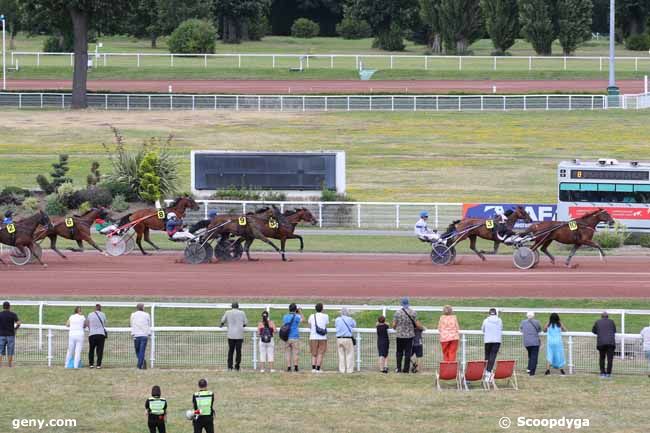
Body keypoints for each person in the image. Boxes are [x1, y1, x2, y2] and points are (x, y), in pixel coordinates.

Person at [392, 297, 420, 373]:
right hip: (409, 336)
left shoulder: (397, 313)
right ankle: (406, 369)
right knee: (408, 353)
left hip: (400, 335)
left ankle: (398, 368)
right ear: (408, 303)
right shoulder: (413, 312)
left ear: (401, 304)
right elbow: (417, 325)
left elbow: (394, 325)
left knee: (399, 352)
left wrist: (396, 328)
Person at [220, 302, 247, 371]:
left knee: (230, 351)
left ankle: (229, 367)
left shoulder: (227, 312)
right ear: (238, 307)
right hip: (239, 335)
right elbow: (245, 323)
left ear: (232, 306)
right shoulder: (242, 312)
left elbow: (222, 320)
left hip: (231, 335)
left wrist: (222, 324)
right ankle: (237, 366)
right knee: (238, 352)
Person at [592, 311, 617, 378]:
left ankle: (602, 373)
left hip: (601, 343)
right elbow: (614, 330)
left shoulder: (597, 322)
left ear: (601, 316)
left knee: (602, 358)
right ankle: (608, 374)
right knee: (610, 359)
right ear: (607, 316)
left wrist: (600, 332)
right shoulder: (611, 322)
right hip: (611, 343)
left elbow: (593, 331)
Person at [481, 308, 503, 382]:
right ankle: (489, 371)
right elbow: (501, 328)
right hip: (497, 341)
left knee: (487, 356)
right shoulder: (499, 320)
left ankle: (486, 371)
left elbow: (483, 329)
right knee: (492, 356)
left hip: (487, 340)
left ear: (489, 313)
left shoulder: (486, 320)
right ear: (496, 313)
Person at [308, 303, 329, 373]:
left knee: (314, 353)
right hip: (322, 337)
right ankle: (318, 368)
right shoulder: (326, 316)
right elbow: (326, 324)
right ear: (322, 309)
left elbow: (310, 326)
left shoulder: (311, 316)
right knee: (320, 353)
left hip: (313, 336)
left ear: (315, 309)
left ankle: (313, 368)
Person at [282, 303, 303, 372]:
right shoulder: (297, 317)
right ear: (295, 309)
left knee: (287, 352)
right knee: (295, 352)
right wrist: (300, 312)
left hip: (287, 337)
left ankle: (288, 367)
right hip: (295, 336)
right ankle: (296, 367)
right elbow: (303, 320)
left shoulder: (285, 316)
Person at [335, 307, 356, 373]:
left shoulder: (337, 319)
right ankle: (349, 370)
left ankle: (342, 370)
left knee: (341, 355)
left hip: (339, 338)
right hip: (347, 338)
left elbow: (336, 326)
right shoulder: (350, 319)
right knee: (349, 354)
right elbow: (354, 325)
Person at [520, 312, 542, 376]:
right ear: (533, 316)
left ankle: (529, 368)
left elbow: (521, 329)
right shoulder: (537, 322)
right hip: (535, 342)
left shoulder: (523, 322)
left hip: (526, 342)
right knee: (534, 357)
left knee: (530, 356)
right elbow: (539, 330)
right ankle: (532, 371)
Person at [0, 301, 21, 368]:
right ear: (9, 307)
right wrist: (15, 329)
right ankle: (9, 365)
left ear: (3, 307)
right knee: (10, 350)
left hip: (1, 335)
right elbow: (19, 323)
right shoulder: (13, 314)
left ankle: (0, 365)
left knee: (0, 350)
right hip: (10, 335)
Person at [131, 303, 151, 370]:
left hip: (138, 335)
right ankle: (142, 362)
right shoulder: (146, 314)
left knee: (138, 351)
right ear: (142, 307)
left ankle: (139, 365)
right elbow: (149, 324)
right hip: (143, 335)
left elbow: (131, 324)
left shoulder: (133, 315)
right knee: (140, 351)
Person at [87, 303, 107, 369]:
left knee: (91, 349)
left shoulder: (90, 314)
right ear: (100, 308)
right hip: (101, 334)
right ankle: (98, 365)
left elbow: (88, 323)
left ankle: (91, 364)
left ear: (95, 308)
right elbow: (104, 323)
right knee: (100, 350)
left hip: (92, 334)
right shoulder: (103, 314)